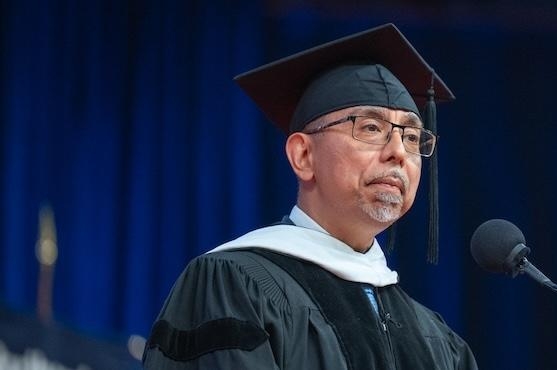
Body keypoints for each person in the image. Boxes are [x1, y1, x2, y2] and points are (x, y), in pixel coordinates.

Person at [142, 24, 478, 369]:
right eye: (371, 128)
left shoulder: (437, 339)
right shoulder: (232, 286)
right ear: (303, 156)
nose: (398, 152)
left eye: (411, 137)